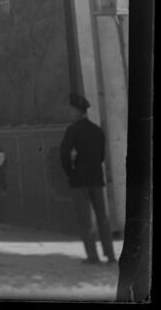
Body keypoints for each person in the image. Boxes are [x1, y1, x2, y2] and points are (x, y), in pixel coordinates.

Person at [60, 92, 117, 264]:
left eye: (71, 109)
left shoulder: (72, 130)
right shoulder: (97, 131)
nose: (70, 112)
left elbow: (63, 154)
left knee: (85, 219)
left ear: (77, 111)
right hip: (96, 178)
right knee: (102, 217)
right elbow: (101, 156)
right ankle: (110, 254)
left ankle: (92, 255)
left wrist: (70, 172)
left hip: (79, 180)